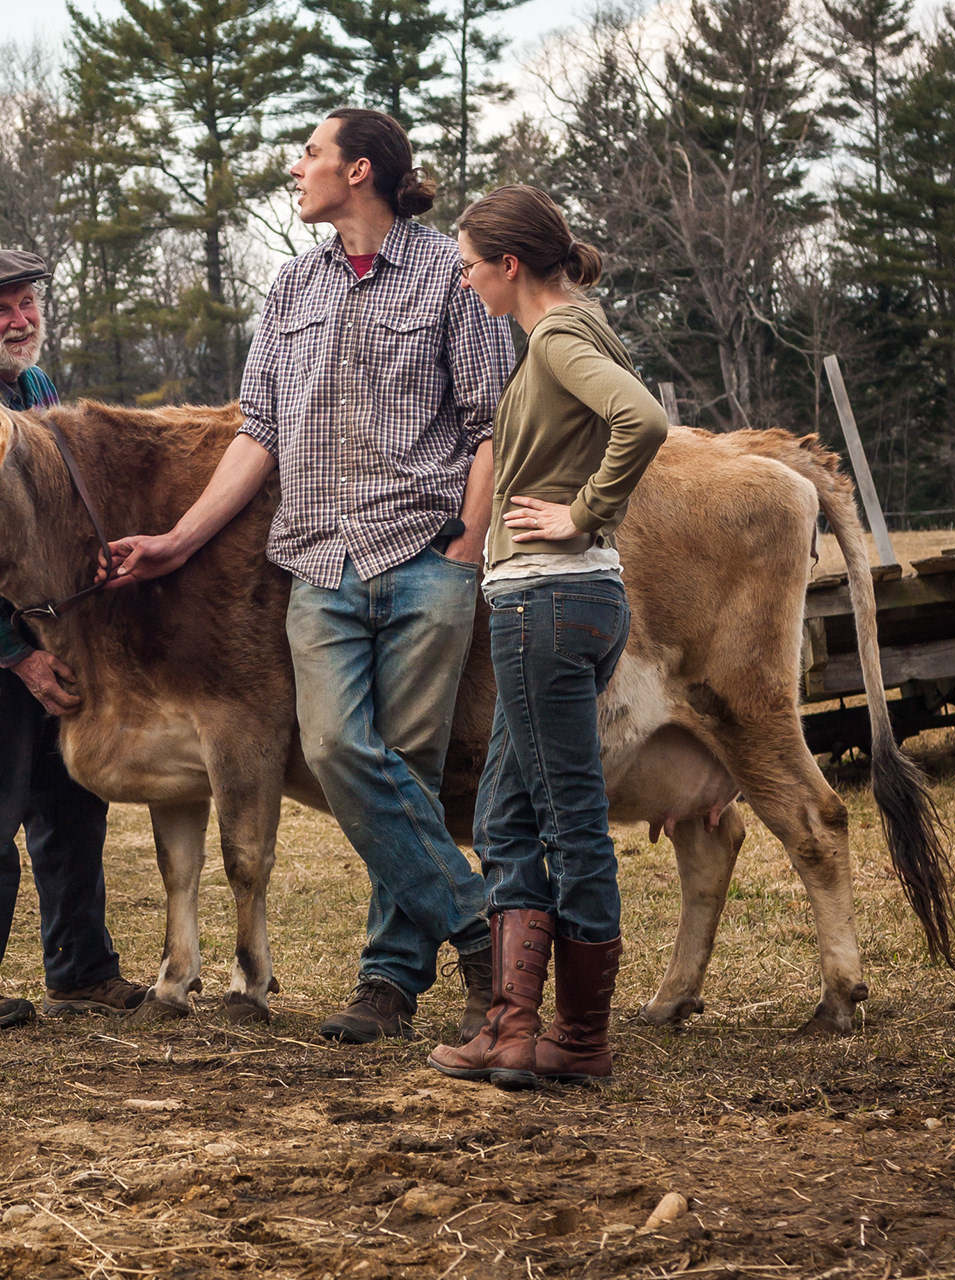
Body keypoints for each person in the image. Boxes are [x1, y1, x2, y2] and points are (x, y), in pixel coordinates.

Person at [105, 109, 514, 1044]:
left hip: (423, 559)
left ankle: (388, 987)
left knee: (405, 771)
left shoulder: (449, 279)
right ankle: (480, 923)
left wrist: (466, 545)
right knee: (335, 754)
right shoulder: (292, 287)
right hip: (318, 566)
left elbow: (492, 422)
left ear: (357, 170)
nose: (296, 170)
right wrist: (179, 537)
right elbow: (262, 434)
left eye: (310, 155)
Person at [427, 185, 668, 1089]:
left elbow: (642, 420)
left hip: (548, 601)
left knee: (569, 823)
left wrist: (582, 513)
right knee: (506, 815)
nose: (464, 281)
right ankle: (512, 1030)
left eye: (469, 266)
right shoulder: (579, 326)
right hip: (577, 602)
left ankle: (578, 1040)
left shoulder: (560, 337)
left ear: (510, 265)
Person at [0, 248, 148, 1033]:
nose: (21, 321)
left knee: (74, 804)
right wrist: (15, 654)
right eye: (0, 310)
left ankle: (81, 972)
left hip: (61, 621)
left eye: (27, 304)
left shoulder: (40, 392)